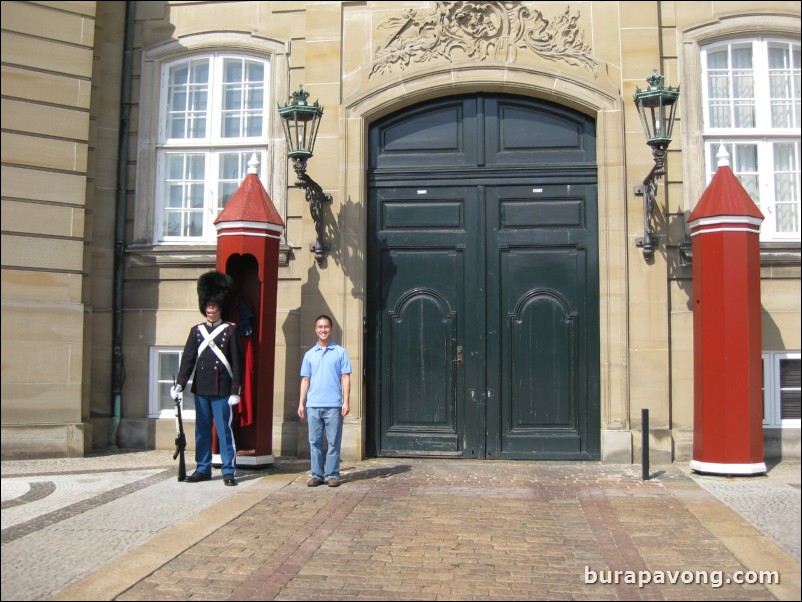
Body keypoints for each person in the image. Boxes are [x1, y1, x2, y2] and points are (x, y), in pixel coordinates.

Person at [171, 271, 244, 486]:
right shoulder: (196, 332)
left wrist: (236, 391)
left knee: (224, 432)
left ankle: (228, 470)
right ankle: (203, 468)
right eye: (208, 303)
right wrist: (180, 384)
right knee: (202, 432)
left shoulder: (230, 331)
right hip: (201, 388)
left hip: (222, 389)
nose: (211, 307)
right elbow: (188, 360)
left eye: (214, 303)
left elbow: (238, 363)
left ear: (221, 306)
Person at [298, 314, 352, 487]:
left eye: (326, 327)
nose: (323, 330)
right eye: (320, 327)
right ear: (315, 329)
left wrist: (346, 401)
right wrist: (301, 402)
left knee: (333, 441)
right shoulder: (309, 355)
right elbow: (305, 379)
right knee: (314, 442)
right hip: (313, 404)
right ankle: (316, 474)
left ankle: (332, 474)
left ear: (331, 329)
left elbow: (345, 377)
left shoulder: (340, 352)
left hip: (333, 405)